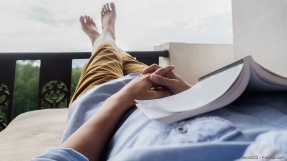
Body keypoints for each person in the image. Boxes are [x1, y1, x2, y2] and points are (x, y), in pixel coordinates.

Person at [32, 2, 287, 161]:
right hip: (162, 88)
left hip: (101, 101)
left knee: (106, 54)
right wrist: (195, 94)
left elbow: (63, 157)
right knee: (129, 60)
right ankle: (110, 41)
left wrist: (122, 98)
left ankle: (104, 38)